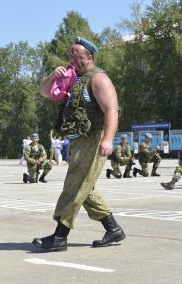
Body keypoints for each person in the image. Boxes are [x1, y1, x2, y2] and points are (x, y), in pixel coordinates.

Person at [33, 37, 125, 251]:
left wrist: (108, 139)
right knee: (86, 188)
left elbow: (112, 109)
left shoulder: (98, 78)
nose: (72, 59)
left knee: (75, 185)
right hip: (77, 141)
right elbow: (45, 92)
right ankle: (113, 229)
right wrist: (52, 76)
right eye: (70, 55)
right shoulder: (73, 78)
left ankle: (59, 237)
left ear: (89, 58)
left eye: (77, 55)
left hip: (94, 139)